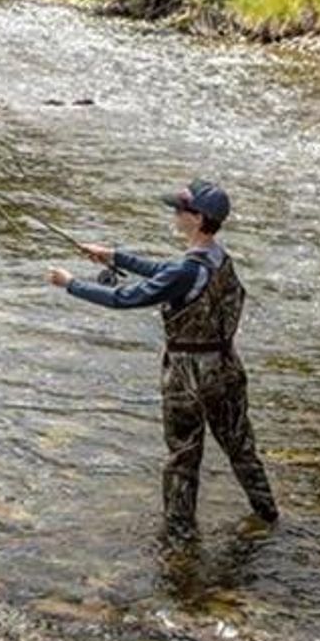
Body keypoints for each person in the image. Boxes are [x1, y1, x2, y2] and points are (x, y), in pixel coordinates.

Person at [46, 179, 279, 539]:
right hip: (227, 369)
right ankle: (268, 514)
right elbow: (166, 273)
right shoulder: (219, 260)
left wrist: (71, 283)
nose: (174, 213)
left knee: (183, 458)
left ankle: (180, 538)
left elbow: (124, 298)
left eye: (179, 209)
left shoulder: (185, 271)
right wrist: (114, 256)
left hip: (188, 377)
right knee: (241, 448)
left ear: (198, 218)